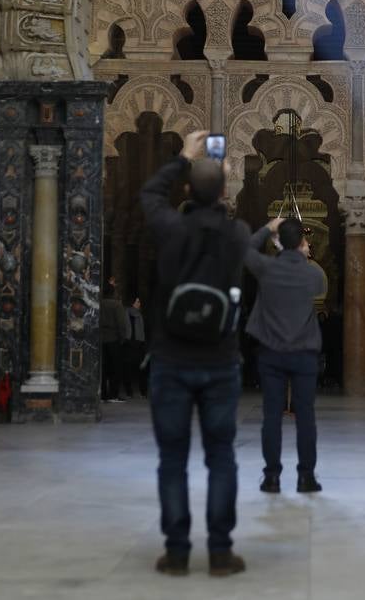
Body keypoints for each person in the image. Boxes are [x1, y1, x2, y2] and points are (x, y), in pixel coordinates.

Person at [140, 131, 250, 578]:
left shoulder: (171, 229)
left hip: (171, 357)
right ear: (225, 192)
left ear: (186, 190)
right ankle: (221, 552)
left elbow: (149, 194)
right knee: (221, 456)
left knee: (172, 459)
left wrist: (184, 157)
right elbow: (226, 214)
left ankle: (178, 552)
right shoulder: (237, 233)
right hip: (220, 359)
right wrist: (220, 181)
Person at [245, 217, 326, 494]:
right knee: (306, 417)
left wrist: (267, 228)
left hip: (271, 353)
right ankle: (306, 477)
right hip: (304, 353)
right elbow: (315, 286)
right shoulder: (312, 274)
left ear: (278, 242)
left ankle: (272, 477)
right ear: (302, 243)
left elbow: (246, 250)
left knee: (271, 416)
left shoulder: (266, 268)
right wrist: (303, 254)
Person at [100, 277, 129, 403]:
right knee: (115, 368)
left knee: (103, 368)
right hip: (114, 339)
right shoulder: (117, 305)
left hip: (101, 339)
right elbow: (121, 323)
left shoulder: (98, 304)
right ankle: (113, 395)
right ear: (113, 293)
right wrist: (123, 338)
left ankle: (103, 394)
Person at [123, 298, 148, 398]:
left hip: (139, 343)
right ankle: (129, 391)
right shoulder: (126, 313)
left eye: (139, 301)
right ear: (132, 303)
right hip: (129, 343)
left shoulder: (140, 314)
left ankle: (143, 391)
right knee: (128, 369)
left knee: (142, 368)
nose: (139, 303)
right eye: (137, 301)